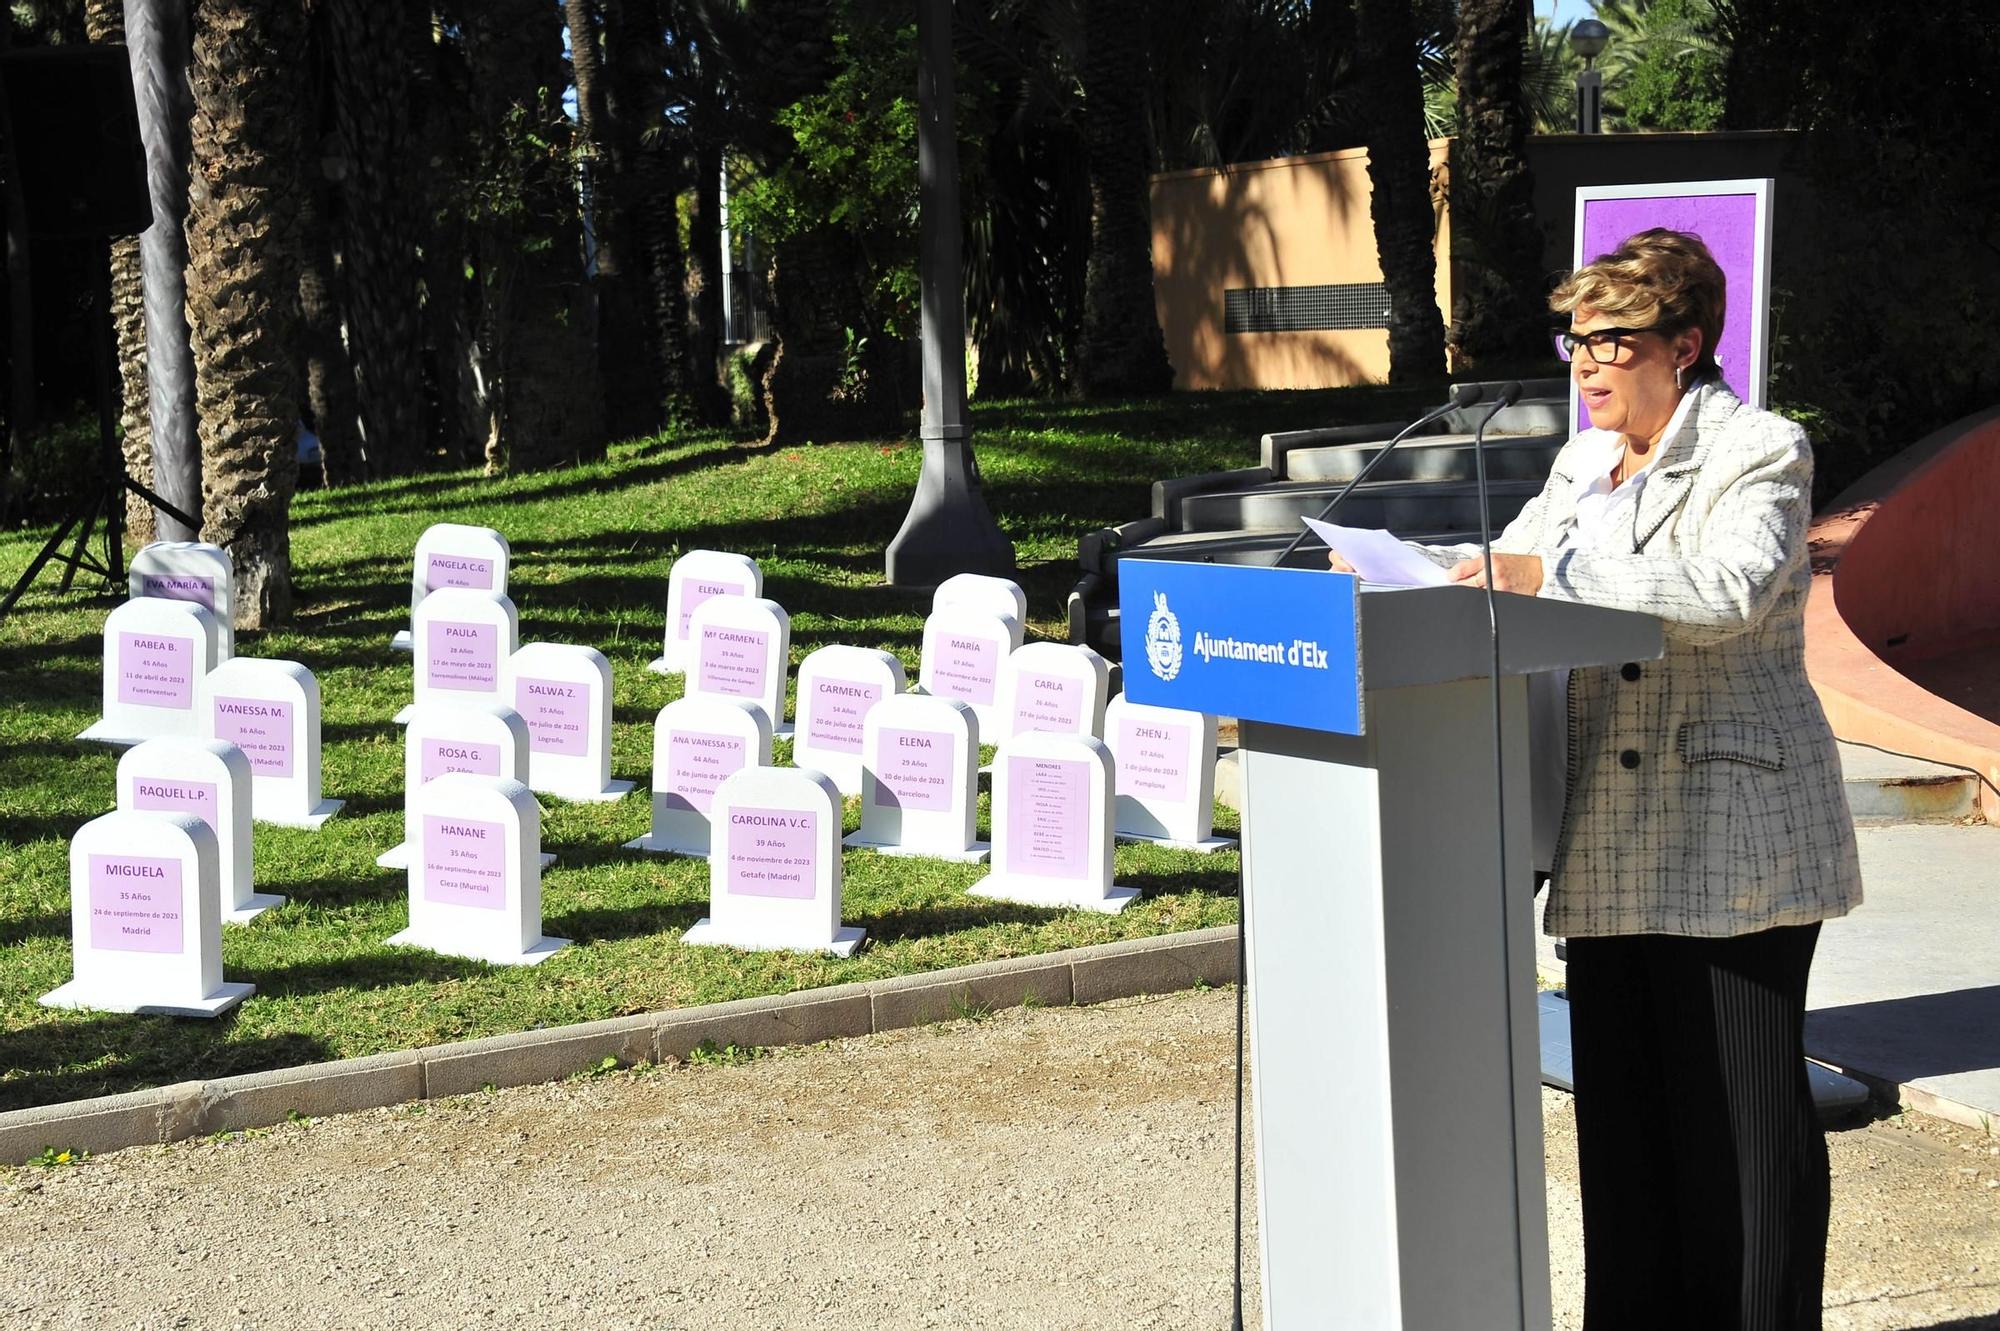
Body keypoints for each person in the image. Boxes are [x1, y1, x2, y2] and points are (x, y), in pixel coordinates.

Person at [1327, 228, 1863, 1330]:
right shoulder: (1578, 463)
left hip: (1731, 824)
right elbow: (1507, 568)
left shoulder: (1758, 449)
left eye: (1610, 340)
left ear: (1685, 343)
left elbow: (1721, 593)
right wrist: (1418, 576)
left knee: (1738, 1129)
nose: (1584, 361)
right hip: (1608, 828)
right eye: (1575, 338)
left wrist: (1540, 568)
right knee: (1624, 1125)